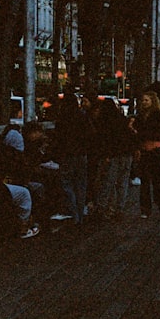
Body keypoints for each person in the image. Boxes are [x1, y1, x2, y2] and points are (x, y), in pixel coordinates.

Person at [52, 92, 90, 227]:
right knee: (81, 184)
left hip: (67, 154)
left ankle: (73, 213)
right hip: (81, 153)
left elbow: (58, 137)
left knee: (67, 183)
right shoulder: (82, 116)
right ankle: (80, 214)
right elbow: (90, 133)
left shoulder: (63, 118)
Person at [94, 97, 136, 220]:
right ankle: (119, 208)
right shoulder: (122, 120)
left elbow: (105, 140)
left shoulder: (104, 122)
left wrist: (105, 155)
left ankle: (104, 207)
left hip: (113, 155)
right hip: (126, 154)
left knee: (109, 182)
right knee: (122, 181)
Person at [132, 90, 160, 219]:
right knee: (145, 180)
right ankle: (145, 208)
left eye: (147, 100)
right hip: (144, 150)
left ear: (153, 101)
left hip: (154, 150)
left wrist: (140, 133)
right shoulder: (140, 115)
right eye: (143, 100)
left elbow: (158, 132)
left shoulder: (158, 115)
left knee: (156, 178)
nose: (144, 102)